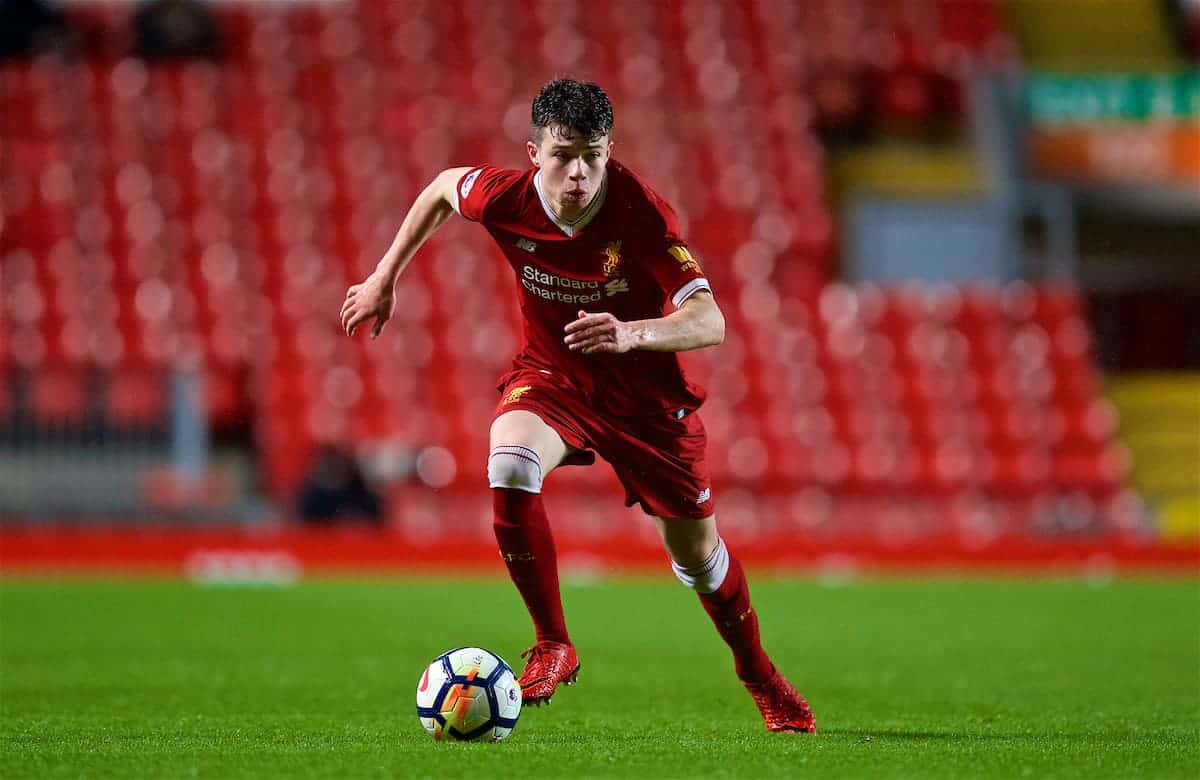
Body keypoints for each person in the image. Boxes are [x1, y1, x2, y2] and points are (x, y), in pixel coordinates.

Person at [340, 79, 816, 733]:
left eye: (592, 154)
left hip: (646, 403)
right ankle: (553, 642)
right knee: (508, 462)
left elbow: (711, 320)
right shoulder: (504, 196)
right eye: (563, 154)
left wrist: (630, 334)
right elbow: (443, 187)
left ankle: (759, 674)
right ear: (533, 152)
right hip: (554, 378)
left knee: (699, 563)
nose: (579, 172)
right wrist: (383, 276)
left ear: (609, 149)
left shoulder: (639, 212)